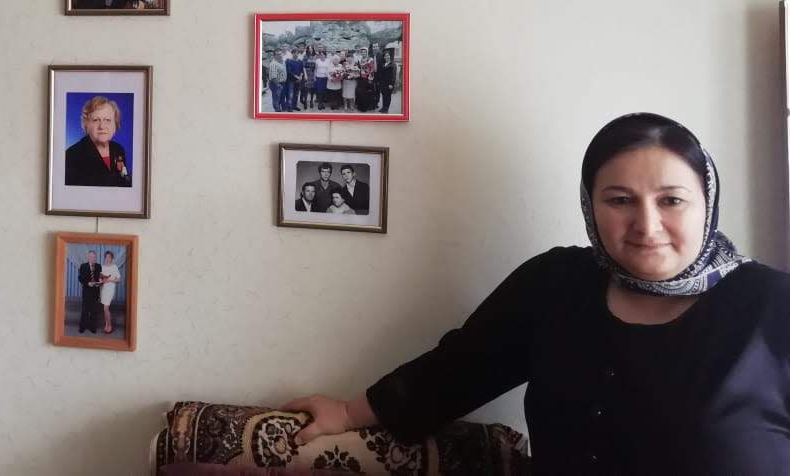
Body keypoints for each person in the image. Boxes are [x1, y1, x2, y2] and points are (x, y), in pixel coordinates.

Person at [285, 113, 790, 474]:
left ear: (707, 203)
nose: (647, 224)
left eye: (672, 200)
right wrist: (348, 413)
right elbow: (457, 368)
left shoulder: (772, 306)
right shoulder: (555, 285)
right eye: (619, 200)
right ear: (591, 208)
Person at [65, 96, 132, 187]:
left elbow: (124, 180)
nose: (102, 126)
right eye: (96, 120)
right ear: (86, 124)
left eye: (107, 120)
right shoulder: (72, 155)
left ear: (115, 124)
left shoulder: (118, 149)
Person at [77, 250, 101, 333]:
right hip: (87, 291)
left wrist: (99, 283)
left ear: (96, 258)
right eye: (90, 256)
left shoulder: (98, 266)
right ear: (88, 257)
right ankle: (82, 327)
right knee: (85, 310)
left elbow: (100, 278)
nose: (92, 258)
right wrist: (87, 283)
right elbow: (80, 278)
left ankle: (92, 327)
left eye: (94, 257)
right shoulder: (83, 266)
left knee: (94, 310)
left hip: (95, 291)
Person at [99, 250, 121, 334]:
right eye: (106, 257)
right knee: (104, 309)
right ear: (105, 258)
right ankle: (106, 324)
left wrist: (110, 280)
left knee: (106, 308)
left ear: (112, 258)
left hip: (111, 289)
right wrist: (101, 280)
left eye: (109, 257)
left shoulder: (114, 267)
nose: (108, 258)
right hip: (104, 289)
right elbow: (100, 278)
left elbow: (118, 279)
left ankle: (110, 325)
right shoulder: (102, 267)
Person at [285, 47, 305, 112]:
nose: (296, 54)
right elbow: (289, 71)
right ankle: (289, 107)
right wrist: (297, 77)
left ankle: (295, 106)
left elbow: (302, 70)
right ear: (292, 53)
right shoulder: (288, 61)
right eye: (294, 53)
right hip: (291, 80)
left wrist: (301, 76)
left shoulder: (300, 62)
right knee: (290, 94)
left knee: (296, 94)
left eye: (297, 53)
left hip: (298, 80)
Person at [301, 45, 317, 109]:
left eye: (311, 48)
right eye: (309, 48)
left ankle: (311, 101)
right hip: (307, 73)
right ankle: (305, 101)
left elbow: (316, 67)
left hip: (312, 73)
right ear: (307, 49)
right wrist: (305, 75)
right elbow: (303, 66)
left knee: (312, 89)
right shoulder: (305, 56)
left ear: (313, 49)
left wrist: (315, 75)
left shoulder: (315, 56)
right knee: (306, 89)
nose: (310, 49)